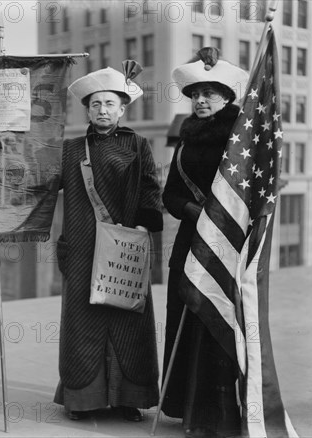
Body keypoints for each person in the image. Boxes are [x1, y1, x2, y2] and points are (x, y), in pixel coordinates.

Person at [54, 65, 163, 422]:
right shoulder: (70, 150)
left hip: (125, 247)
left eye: (110, 104)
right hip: (83, 247)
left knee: (127, 322)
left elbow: (150, 188)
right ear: (87, 109)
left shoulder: (137, 144)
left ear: (122, 109)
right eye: (95, 104)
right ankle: (83, 400)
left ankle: (128, 399)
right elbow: (40, 186)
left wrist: (144, 227)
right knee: (83, 322)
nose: (102, 110)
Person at [161, 47, 249, 438]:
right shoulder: (185, 137)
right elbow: (169, 196)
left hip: (225, 244)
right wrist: (189, 210)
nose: (200, 101)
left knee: (214, 322)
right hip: (189, 241)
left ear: (227, 98)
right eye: (195, 94)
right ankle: (187, 409)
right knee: (186, 315)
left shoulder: (239, 139)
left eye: (209, 94)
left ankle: (216, 415)